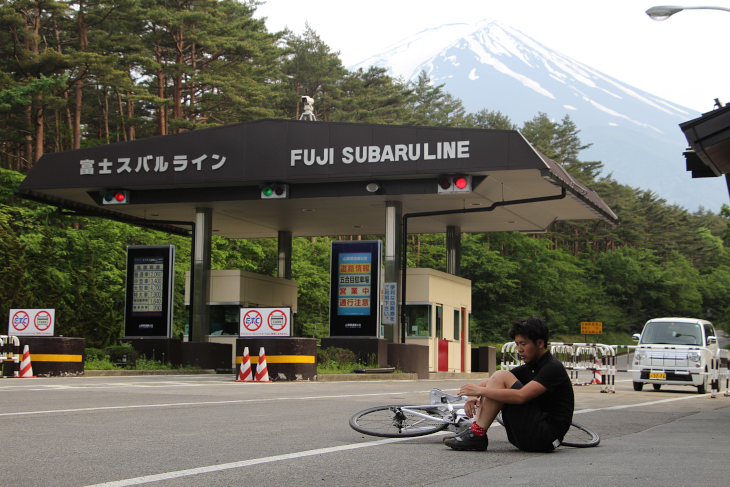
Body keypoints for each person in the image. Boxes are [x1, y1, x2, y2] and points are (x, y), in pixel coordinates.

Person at [444, 317, 574, 452]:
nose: (519, 349)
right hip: (528, 436)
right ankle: (475, 432)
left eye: (523, 344)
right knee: (499, 377)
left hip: (545, 437)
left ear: (540, 343)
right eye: (517, 344)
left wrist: (480, 391)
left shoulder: (552, 367)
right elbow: (492, 382)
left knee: (501, 375)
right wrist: (473, 396)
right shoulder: (531, 367)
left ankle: (476, 435)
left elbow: (521, 396)